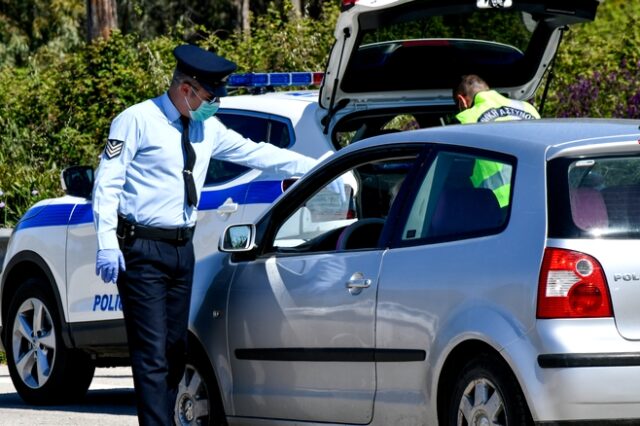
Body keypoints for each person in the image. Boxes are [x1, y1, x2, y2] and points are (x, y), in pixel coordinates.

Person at [92, 44, 319, 426]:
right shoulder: (136, 120)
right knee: (151, 354)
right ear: (186, 90)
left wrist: (318, 166)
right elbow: (107, 184)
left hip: (182, 250)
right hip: (142, 249)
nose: (214, 104)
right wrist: (105, 242)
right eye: (210, 97)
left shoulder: (205, 127)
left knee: (175, 349)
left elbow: (257, 153)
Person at [453, 74, 540, 208]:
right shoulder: (528, 108)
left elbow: (452, 167)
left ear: (462, 101)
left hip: (500, 207)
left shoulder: (466, 120)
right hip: (540, 197)